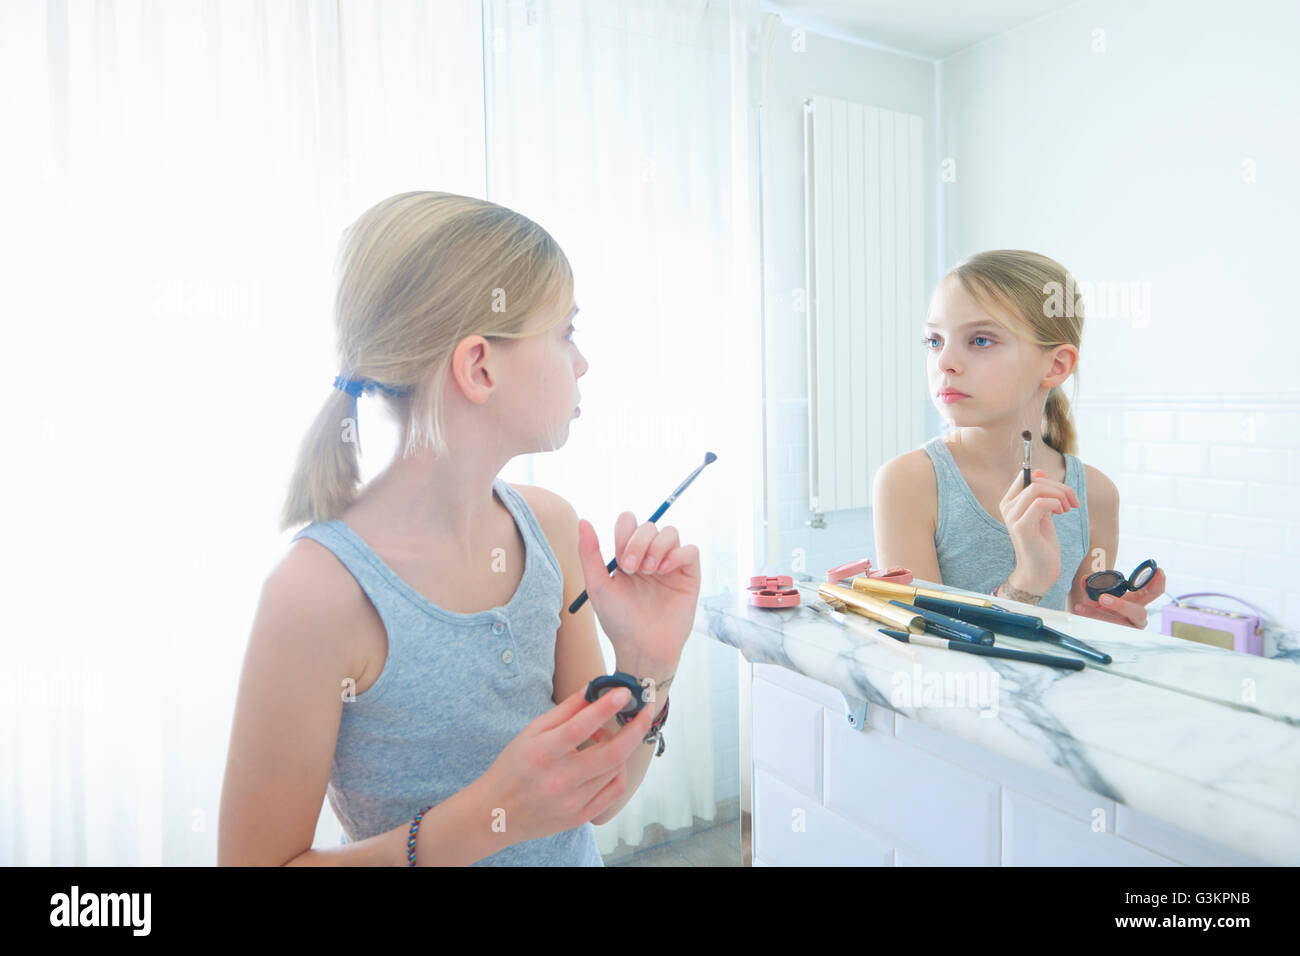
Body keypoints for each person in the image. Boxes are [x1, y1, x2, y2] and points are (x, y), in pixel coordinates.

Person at [218, 191, 700, 865]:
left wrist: (649, 669)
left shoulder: (551, 529)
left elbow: (599, 793)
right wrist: (492, 816)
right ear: (479, 366)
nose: (583, 363)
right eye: (566, 333)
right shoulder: (318, 593)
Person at [872, 249, 1164, 625]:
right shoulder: (908, 482)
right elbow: (928, 643)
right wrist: (1027, 581)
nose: (944, 361)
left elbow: (1083, 628)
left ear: (1056, 365)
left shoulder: (1096, 494)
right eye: (934, 340)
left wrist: (1115, 626)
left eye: (979, 340)